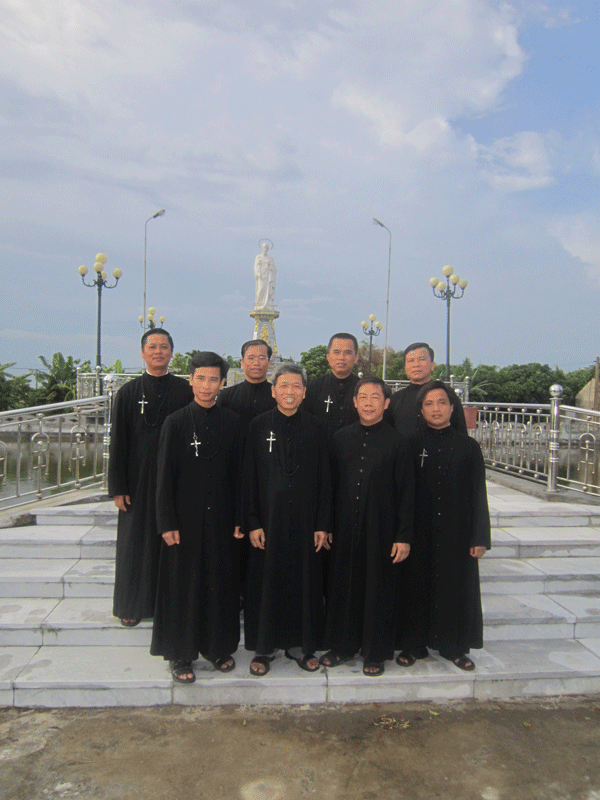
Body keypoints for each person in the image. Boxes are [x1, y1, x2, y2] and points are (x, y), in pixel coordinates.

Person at [151, 352, 242, 683]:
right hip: (184, 520)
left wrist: (240, 517)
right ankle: (181, 654)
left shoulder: (233, 423)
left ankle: (218, 647)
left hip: (222, 517)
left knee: (220, 583)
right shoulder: (175, 423)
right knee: (182, 586)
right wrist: (166, 522)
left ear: (222, 383)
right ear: (190, 380)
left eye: (213, 379)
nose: (206, 385)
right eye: (200, 378)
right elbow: (164, 477)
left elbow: (240, 475)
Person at [243, 363, 332, 676]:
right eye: (283, 386)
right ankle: (264, 648)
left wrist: (322, 523)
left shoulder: (317, 428)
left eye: (296, 386)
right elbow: (249, 478)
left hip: (306, 521)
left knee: (304, 582)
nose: (290, 392)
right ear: (273, 391)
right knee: (266, 583)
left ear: (305, 392)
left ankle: (301, 646)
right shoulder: (257, 426)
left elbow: (325, 479)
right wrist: (253, 521)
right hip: (268, 521)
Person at [321, 378, 414, 677]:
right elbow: (328, 486)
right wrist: (325, 525)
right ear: (355, 402)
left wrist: (403, 535)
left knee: (378, 589)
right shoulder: (339, 438)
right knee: (343, 587)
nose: (369, 402)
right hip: (344, 527)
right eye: (363, 397)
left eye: (376, 397)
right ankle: (342, 647)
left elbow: (407, 492)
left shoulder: (398, 442)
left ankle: (375, 652)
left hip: (382, 528)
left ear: (386, 403)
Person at [395, 380, 490, 672]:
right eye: (429, 404)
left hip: (456, 530)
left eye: (441, 403)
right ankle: (413, 644)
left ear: (452, 408)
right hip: (419, 529)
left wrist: (480, 536)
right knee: (415, 586)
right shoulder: (410, 444)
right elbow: (402, 491)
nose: (436, 409)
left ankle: (454, 646)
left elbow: (478, 493)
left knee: (454, 587)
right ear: (421, 411)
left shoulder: (468, 447)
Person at [108, 329, 193, 627]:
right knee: (134, 543)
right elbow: (118, 442)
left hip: (176, 478)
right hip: (137, 479)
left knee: (172, 542)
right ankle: (131, 605)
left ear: (172, 353)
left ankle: (170, 605)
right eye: (153, 347)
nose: (158, 352)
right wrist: (118, 487)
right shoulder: (128, 393)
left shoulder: (185, 391)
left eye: (164, 347)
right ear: (143, 352)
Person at [386, 342, 467, 438]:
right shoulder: (396, 399)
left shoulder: (446, 395)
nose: (416, 365)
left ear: (432, 365)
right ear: (405, 367)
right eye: (411, 361)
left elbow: (461, 432)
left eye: (422, 359)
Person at [302, 333, 360, 435]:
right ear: (328, 357)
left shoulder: (363, 389)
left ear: (356, 358)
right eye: (336, 352)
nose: (341, 357)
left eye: (347, 352)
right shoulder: (312, 388)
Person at [217, 339, 276, 438]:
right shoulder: (226, 396)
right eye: (251, 358)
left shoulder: (278, 396)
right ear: (243, 362)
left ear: (269, 362)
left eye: (262, 358)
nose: (256, 363)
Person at [254, 241, 276, 309]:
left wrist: (270, 265)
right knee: (260, 290)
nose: (265, 249)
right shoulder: (258, 257)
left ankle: (268, 305)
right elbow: (256, 266)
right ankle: (259, 305)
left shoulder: (270, 258)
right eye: (263, 247)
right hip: (261, 276)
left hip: (268, 277)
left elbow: (274, 269)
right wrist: (258, 273)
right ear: (261, 248)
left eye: (266, 247)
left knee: (268, 290)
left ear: (268, 249)